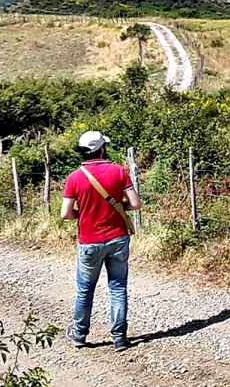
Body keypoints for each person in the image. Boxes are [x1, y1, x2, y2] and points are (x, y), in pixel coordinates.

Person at [61, 130, 141, 353]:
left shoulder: (74, 177)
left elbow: (66, 214)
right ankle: (119, 338)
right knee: (118, 288)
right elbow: (135, 204)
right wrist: (116, 207)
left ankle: (79, 334)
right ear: (102, 149)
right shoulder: (119, 171)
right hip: (118, 238)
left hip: (89, 241)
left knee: (85, 290)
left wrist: (85, 213)